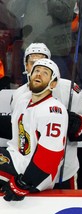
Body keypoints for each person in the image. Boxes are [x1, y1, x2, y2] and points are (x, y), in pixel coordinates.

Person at [0, 43, 82, 189]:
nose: (38, 68)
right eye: (33, 63)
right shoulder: (19, 95)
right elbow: (19, 131)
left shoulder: (69, 89)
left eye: (43, 62)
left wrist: (76, 125)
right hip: (27, 169)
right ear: (26, 66)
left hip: (64, 169)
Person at [0, 58, 68, 201]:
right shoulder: (24, 100)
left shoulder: (54, 111)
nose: (38, 74)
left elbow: (49, 156)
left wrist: (24, 183)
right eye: (36, 70)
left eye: (45, 73)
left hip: (36, 175)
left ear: (53, 83)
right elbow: (14, 129)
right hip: (17, 158)